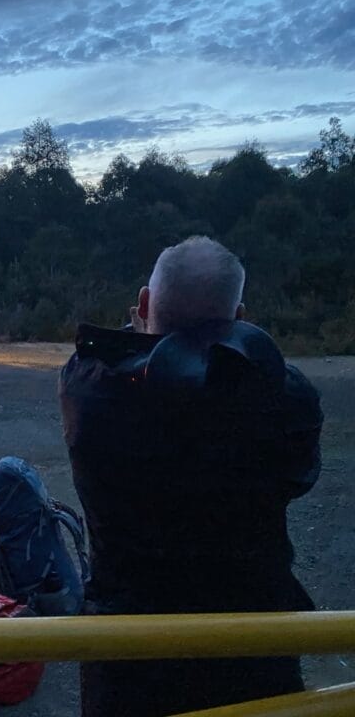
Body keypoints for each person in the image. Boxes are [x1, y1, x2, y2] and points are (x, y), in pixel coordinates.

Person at [58, 236, 322, 717]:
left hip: (127, 655)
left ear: (142, 304)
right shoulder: (283, 404)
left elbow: (103, 355)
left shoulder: (88, 389)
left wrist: (152, 331)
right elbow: (297, 458)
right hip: (252, 646)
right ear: (240, 319)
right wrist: (231, 348)